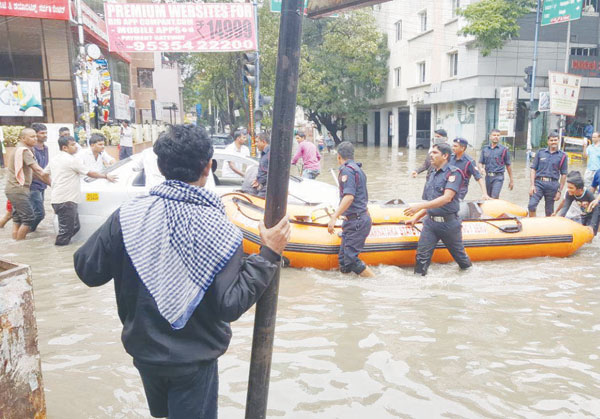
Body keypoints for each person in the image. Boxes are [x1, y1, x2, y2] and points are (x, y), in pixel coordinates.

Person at [73, 124, 290, 419]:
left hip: (145, 354)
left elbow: (88, 270)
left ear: (161, 166)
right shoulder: (220, 229)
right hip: (193, 361)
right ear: (208, 167)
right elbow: (229, 305)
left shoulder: (127, 216)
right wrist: (268, 255)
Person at [404, 143, 472, 275]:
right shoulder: (433, 173)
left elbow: (446, 198)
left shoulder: (454, 173)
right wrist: (416, 218)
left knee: (461, 259)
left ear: (445, 156)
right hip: (430, 224)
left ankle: (469, 278)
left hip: (449, 224)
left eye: (435, 153)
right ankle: (419, 286)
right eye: (431, 152)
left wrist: (419, 206)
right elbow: (432, 202)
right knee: (421, 258)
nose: (431, 155)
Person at [46, 136, 117, 245]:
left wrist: (53, 185)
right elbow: (90, 173)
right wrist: (106, 176)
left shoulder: (54, 159)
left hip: (60, 198)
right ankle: (60, 252)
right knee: (65, 232)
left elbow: (43, 174)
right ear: (65, 147)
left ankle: (63, 251)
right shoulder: (72, 159)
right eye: (73, 145)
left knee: (75, 227)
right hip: (66, 200)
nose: (76, 147)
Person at [327, 142, 375, 277]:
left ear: (338, 156)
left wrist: (334, 216)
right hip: (356, 219)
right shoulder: (358, 169)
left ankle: (375, 282)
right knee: (344, 261)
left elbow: (349, 197)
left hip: (357, 221)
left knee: (351, 260)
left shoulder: (347, 170)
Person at [4, 128, 50, 240]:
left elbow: (34, 174)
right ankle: (21, 243)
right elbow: (38, 170)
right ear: (23, 138)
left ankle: (16, 244)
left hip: (13, 189)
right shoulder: (24, 151)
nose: (35, 139)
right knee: (29, 218)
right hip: (18, 189)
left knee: (18, 218)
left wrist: (49, 183)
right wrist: (54, 183)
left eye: (35, 136)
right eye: (32, 137)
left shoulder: (19, 149)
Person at [528, 131, 568, 217]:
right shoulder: (540, 152)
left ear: (558, 141)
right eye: (551, 140)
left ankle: (548, 229)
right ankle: (532, 225)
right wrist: (532, 185)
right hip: (538, 183)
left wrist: (559, 191)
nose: (553, 142)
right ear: (548, 141)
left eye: (555, 140)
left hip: (552, 185)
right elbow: (533, 169)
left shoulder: (563, 156)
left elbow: (564, 175)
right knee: (531, 206)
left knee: (549, 211)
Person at [553, 171, 599, 235]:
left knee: (590, 235)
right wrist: (560, 217)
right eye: (568, 187)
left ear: (579, 189)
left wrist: (592, 226)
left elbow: (596, 210)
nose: (568, 189)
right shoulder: (569, 194)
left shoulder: (588, 194)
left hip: (593, 215)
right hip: (583, 215)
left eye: (571, 188)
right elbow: (566, 206)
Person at [478, 129, 514, 198]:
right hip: (488, 177)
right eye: (494, 135)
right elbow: (480, 162)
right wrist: (481, 168)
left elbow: (508, 165)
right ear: (490, 137)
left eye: (498, 135)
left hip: (498, 177)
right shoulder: (485, 149)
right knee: (487, 197)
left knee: (494, 196)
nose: (496, 137)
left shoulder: (504, 150)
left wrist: (511, 180)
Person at [29, 123, 49, 232]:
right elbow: (35, 171)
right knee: (40, 213)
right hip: (33, 186)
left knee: (35, 211)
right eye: (42, 133)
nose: (45, 135)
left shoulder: (46, 148)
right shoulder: (31, 150)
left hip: (42, 185)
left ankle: (29, 232)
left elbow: (46, 167)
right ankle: (28, 232)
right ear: (35, 135)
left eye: (46, 132)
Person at [251, 132, 270, 197]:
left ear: (263, 142)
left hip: (267, 186)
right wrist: (257, 180)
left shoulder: (270, 153)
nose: (256, 144)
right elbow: (263, 170)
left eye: (257, 142)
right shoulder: (263, 153)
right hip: (261, 184)